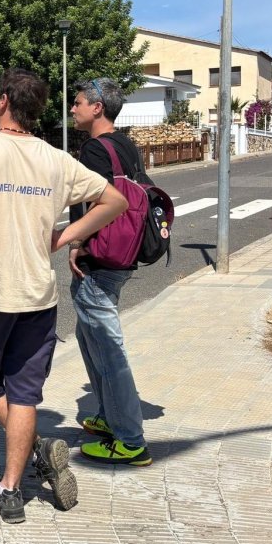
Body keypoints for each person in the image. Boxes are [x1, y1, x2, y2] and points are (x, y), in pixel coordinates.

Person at [0, 68, 128, 523]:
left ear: (3, 100)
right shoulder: (55, 159)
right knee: (25, 394)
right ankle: (11, 489)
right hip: (39, 296)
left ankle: (38, 444)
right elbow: (115, 200)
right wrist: (64, 236)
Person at [68, 78, 153, 467]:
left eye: (78, 103)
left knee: (108, 348)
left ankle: (130, 440)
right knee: (89, 339)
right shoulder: (125, 145)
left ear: (97, 107)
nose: (73, 109)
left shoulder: (95, 150)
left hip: (100, 261)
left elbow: (100, 204)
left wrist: (77, 244)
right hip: (122, 256)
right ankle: (109, 415)